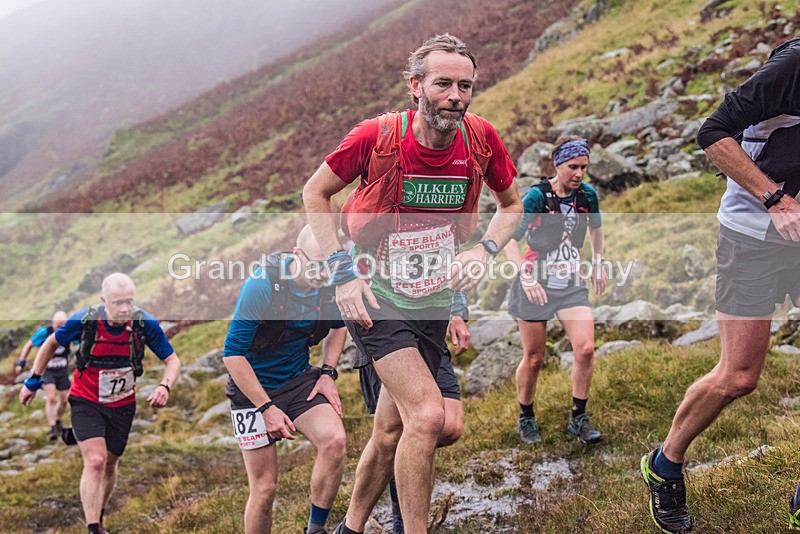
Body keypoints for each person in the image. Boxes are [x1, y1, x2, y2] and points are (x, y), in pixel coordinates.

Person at [303, 33, 522, 534]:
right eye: (443, 84)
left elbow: (511, 204)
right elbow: (315, 193)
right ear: (416, 85)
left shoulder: (481, 139)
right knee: (426, 415)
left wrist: (484, 250)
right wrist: (341, 272)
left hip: (433, 301)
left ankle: (349, 528)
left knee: (389, 432)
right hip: (373, 296)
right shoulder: (377, 136)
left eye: (465, 86)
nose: (456, 96)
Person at [640, 37, 800, 533]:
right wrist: (776, 199)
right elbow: (711, 133)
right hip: (753, 236)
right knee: (739, 376)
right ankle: (665, 463)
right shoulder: (793, 67)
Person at [19, 273, 180, 534]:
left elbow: (172, 361)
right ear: (104, 300)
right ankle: (93, 528)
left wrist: (165, 386)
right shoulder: (85, 320)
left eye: (129, 301)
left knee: (110, 463)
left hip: (122, 404)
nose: (125, 308)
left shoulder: (143, 323)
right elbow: (50, 343)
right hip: (86, 400)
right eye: (118, 303)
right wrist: (33, 380)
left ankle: (100, 514)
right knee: (96, 460)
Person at [223, 225, 348, 534]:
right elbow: (232, 355)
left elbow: (339, 325)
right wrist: (266, 408)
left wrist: (328, 372)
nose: (323, 274)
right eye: (316, 265)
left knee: (335, 442)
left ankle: (315, 529)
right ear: (296, 255)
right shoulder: (262, 284)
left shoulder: (330, 283)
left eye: (329, 266)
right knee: (265, 488)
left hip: (297, 379)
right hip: (251, 391)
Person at [503, 136, 606, 446]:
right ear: (558, 164)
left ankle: (578, 418)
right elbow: (509, 239)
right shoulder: (537, 197)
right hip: (535, 284)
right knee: (535, 357)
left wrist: (598, 261)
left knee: (585, 349)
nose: (579, 173)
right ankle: (526, 416)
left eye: (584, 167)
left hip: (570, 284)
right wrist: (525, 276)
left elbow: (596, 228)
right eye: (573, 167)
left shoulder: (587, 195)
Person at [357, 291, 470, 534]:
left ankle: (349, 527)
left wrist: (457, 312)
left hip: (429, 320)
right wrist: (345, 279)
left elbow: (449, 271)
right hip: (383, 315)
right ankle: (403, 517)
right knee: (415, 423)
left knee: (446, 427)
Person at [16, 310, 74, 441]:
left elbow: (81, 341)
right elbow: (29, 345)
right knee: (51, 397)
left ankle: (57, 419)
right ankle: (53, 427)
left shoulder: (70, 330)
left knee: (64, 399)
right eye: (58, 326)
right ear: (53, 323)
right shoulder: (44, 332)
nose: (60, 329)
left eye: (63, 326)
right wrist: (21, 362)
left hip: (62, 370)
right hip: (47, 371)